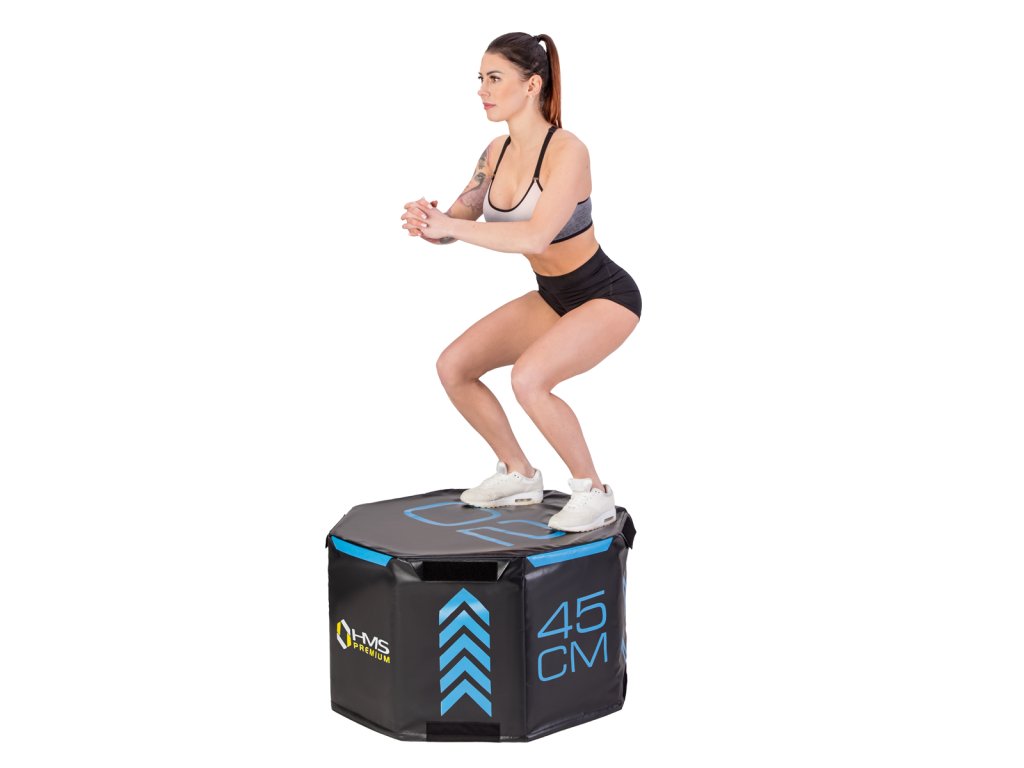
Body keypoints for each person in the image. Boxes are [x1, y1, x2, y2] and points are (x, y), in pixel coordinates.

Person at [400, 32, 642, 533]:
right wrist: (430, 224)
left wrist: (451, 228)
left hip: (605, 294)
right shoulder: (495, 152)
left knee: (530, 379)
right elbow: (458, 222)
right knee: (454, 366)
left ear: (532, 85)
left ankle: (593, 492)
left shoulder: (567, 151)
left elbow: (535, 236)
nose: (482, 90)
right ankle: (519, 474)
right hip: (553, 296)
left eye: (495, 78)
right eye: (481, 79)